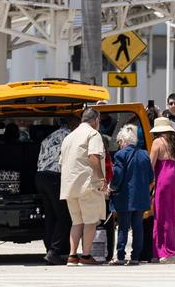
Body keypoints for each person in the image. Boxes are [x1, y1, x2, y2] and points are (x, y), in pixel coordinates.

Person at [59, 107, 108, 266]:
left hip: (69, 186)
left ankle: (72, 256)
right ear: (96, 120)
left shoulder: (69, 137)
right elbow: (93, 158)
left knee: (76, 222)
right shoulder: (93, 134)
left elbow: (61, 163)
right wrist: (102, 179)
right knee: (90, 221)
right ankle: (86, 256)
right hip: (87, 184)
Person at [36, 115, 77, 265]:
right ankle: (54, 251)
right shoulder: (70, 137)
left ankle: (50, 248)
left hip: (40, 176)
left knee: (51, 215)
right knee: (65, 216)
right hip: (55, 177)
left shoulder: (49, 137)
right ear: (71, 123)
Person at [110, 124, 153, 265]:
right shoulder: (145, 154)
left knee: (123, 226)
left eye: (119, 142)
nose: (119, 145)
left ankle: (121, 256)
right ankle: (135, 257)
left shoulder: (120, 155)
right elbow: (151, 177)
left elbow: (117, 176)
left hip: (125, 197)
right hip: (140, 197)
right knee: (138, 227)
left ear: (123, 141)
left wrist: (112, 187)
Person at [149, 117, 175, 263]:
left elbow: (150, 165)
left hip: (164, 178)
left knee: (162, 215)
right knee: (173, 214)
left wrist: (148, 184)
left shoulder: (157, 142)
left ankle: (165, 251)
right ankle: (167, 250)